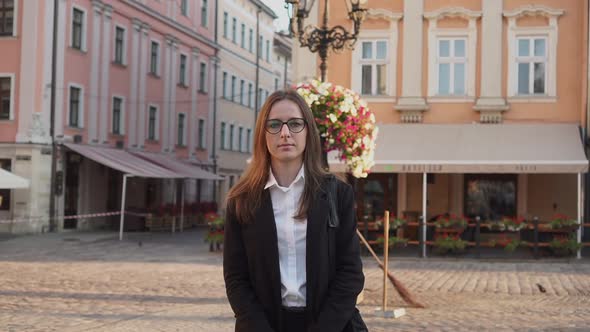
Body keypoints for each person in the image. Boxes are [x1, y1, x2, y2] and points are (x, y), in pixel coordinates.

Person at [223, 90, 365, 332]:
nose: (285, 133)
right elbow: (236, 278)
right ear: (262, 134)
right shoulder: (242, 200)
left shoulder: (338, 194)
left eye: (295, 124)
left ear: (308, 130)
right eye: (275, 125)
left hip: (329, 325)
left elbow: (350, 273)